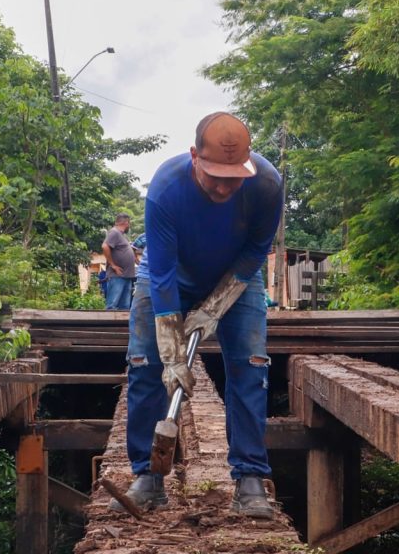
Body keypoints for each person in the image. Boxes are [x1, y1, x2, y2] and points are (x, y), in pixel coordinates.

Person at [110, 112, 284, 519]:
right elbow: (164, 274)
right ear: (194, 157)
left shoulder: (266, 185)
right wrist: (172, 354)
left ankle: (250, 478)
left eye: (233, 176)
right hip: (169, 275)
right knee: (144, 364)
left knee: (251, 365)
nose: (224, 186)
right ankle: (148, 477)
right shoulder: (166, 189)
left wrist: (216, 305)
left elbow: (257, 250)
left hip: (237, 276)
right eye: (214, 175)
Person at [101, 213, 137, 310]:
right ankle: (108, 325)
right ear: (125, 222)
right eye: (129, 223)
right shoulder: (114, 232)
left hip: (126, 276)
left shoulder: (122, 235)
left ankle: (121, 325)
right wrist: (113, 265)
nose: (129, 226)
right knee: (112, 305)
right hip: (117, 275)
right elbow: (105, 246)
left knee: (124, 307)